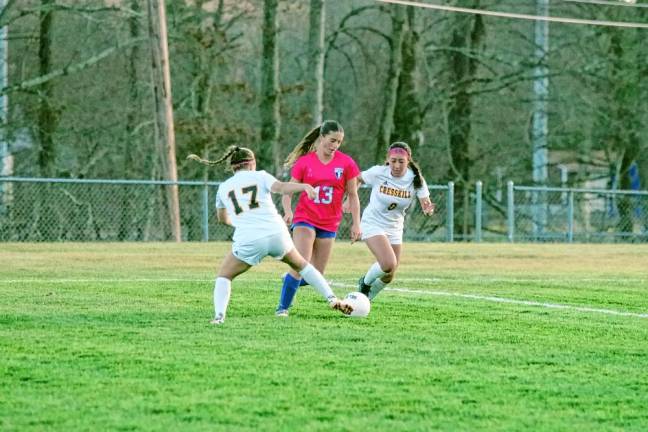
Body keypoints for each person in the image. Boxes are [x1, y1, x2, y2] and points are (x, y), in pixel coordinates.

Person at [187, 146, 353, 325]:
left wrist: (240, 223)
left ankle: (219, 317)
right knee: (303, 266)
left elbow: (222, 218)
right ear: (252, 163)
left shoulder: (223, 187)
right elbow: (281, 188)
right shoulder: (261, 176)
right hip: (276, 233)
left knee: (224, 276)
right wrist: (304, 185)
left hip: (249, 238)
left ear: (233, 167)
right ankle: (332, 298)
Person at [275, 120, 362, 317]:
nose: (335, 146)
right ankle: (282, 308)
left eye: (339, 142)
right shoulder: (305, 162)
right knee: (301, 264)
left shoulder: (346, 163)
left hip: (330, 222)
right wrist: (288, 211)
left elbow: (353, 195)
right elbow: (288, 191)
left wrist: (357, 223)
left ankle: (290, 279)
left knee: (316, 274)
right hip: (305, 219)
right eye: (332, 140)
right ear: (322, 137)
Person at [354, 142, 435, 301]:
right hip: (373, 223)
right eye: (393, 161)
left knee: (389, 276)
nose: (397, 165)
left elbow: (426, 203)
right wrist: (350, 199)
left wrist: (428, 209)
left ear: (408, 160)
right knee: (388, 263)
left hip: (395, 227)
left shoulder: (415, 179)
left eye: (401, 161)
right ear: (388, 160)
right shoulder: (379, 172)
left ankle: (365, 300)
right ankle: (364, 283)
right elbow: (357, 178)